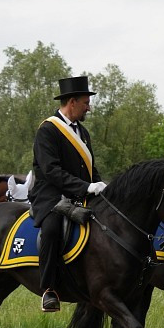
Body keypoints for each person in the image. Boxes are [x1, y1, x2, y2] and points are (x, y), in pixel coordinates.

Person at [29, 76, 106, 312]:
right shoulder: (48, 130)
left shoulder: (83, 133)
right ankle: (49, 289)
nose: (89, 107)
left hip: (78, 195)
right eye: (85, 102)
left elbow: (90, 168)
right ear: (72, 102)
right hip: (50, 195)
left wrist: (100, 185)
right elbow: (51, 171)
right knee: (52, 229)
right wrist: (85, 187)